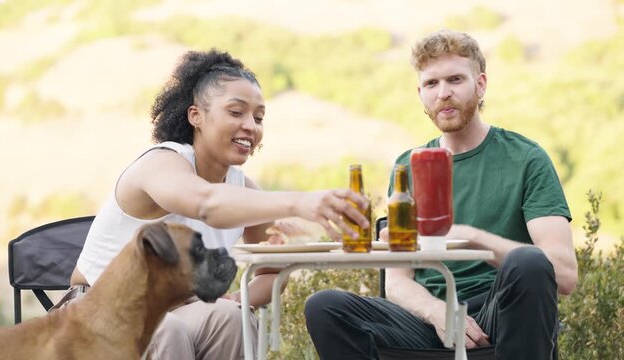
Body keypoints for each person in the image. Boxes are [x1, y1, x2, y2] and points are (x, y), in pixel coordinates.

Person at [66, 49, 370, 360]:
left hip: (175, 315)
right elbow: (206, 203)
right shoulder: (159, 165)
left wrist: (237, 296)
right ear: (195, 115)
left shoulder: (241, 188)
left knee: (229, 319)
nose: (250, 126)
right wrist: (298, 201)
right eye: (236, 112)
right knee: (165, 330)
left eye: (259, 117)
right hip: (96, 313)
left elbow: (271, 273)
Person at [304, 29, 578, 359]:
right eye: (432, 84)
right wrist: (438, 313)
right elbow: (397, 281)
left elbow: (563, 274)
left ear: (480, 85)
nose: (443, 93)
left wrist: (469, 237)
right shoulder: (407, 166)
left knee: (530, 261)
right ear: (420, 92)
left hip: (499, 315)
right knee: (325, 307)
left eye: (455, 80)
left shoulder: (527, 159)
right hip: (429, 322)